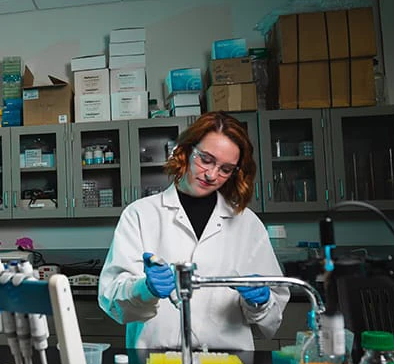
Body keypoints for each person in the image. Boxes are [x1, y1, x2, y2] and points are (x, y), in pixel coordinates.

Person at [98, 111, 290, 350]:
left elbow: (272, 320)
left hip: (227, 362)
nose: (211, 175)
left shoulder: (246, 223)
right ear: (186, 151)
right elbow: (111, 298)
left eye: (226, 169)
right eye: (206, 159)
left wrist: (261, 302)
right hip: (154, 361)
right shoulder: (140, 214)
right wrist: (145, 289)